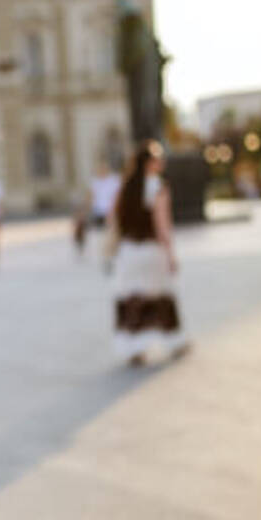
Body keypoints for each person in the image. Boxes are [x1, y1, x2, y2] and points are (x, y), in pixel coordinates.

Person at [104, 141, 191, 365]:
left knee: (133, 299)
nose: (161, 162)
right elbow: (162, 226)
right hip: (151, 250)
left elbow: (112, 219)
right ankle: (174, 341)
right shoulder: (157, 187)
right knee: (161, 297)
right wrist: (171, 254)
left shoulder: (124, 187)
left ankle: (134, 348)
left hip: (128, 251)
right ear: (150, 163)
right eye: (158, 158)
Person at [84, 159, 121, 255]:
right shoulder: (95, 182)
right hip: (99, 212)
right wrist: (86, 210)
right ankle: (104, 253)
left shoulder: (114, 180)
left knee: (112, 234)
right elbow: (90, 197)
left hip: (112, 211)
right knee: (100, 234)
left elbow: (118, 196)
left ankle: (112, 252)